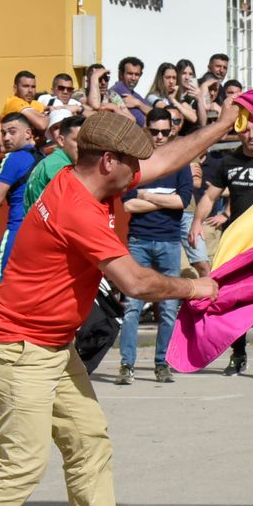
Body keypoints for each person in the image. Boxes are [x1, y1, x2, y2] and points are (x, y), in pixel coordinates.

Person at [0, 109, 232, 506]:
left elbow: (163, 159)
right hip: (18, 346)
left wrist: (223, 126)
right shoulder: (77, 206)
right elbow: (134, 282)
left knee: (88, 437)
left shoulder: (99, 180)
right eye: (133, 164)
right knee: (24, 461)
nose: (142, 171)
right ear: (109, 161)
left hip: (51, 344)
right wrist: (195, 288)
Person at [192, 119, 253, 377]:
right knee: (236, 301)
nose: (251, 135)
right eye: (246, 130)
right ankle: (238, 355)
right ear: (239, 132)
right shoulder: (228, 163)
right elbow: (210, 196)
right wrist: (197, 222)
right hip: (238, 244)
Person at [112, 107, 191, 385]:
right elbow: (128, 204)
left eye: (164, 131)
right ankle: (127, 364)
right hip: (140, 240)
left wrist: (147, 194)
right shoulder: (136, 163)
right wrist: (162, 198)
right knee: (133, 305)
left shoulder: (179, 164)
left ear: (172, 131)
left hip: (169, 241)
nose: (159, 136)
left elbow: (182, 202)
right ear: (146, 130)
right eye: (154, 131)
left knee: (168, 307)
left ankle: (162, 363)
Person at [0, 113, 41, 278]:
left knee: (3, 286)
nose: (6, 137)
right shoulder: (43, 157)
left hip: (18, 229)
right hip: (43, 232)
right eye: (3, 133)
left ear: (28, 133)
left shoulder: (13, 158)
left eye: (12, 132)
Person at [23, 114, 84, 211]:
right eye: (76, 140)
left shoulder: (55, 160)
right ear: (61, 141)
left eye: (86, 141)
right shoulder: (59, 166)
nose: (83, 146)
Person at [109, 57, 152, 126]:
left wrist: (139, 104)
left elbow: (155, 114)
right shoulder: (119, 90)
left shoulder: (134, 94)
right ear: (121, 74)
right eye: (130, 73)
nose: (133, 78)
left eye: (137, 74)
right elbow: (143, 123)